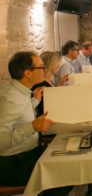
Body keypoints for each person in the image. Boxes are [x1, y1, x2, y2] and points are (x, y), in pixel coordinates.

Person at [0, 52, 71, 195]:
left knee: (68, 156)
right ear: (28, 73)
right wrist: (31, 127)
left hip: (29, 153)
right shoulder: (11, 98)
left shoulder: (19, 90)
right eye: (41, 67)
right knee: (65, 173)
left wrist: (35, 101)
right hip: (13, 165)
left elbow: (20, 115)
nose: (45, 69)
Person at [32, 52, 69, 116]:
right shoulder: (41, 84)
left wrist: (62, 82)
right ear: (51, 65)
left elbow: (53, 94)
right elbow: (45, 107)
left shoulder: (48, 80)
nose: (58, 67)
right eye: (57, 65)